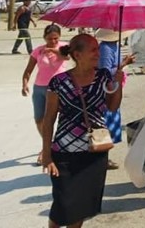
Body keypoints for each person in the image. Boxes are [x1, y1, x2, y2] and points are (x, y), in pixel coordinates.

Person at [42, 33, 130, 228]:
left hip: (95, 152)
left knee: (81, 206)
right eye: (93, 49)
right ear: (77, 54)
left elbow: (112, 107)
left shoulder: (103, 76)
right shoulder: (58, 81)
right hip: (64, 153)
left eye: (98, 49)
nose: (97, 54)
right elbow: (49, 119)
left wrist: (118, 83)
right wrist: (47, 154)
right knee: (62, 205)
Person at [22, 24, 67, 165]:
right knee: (39, 119)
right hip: (40, 88)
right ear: (44, 38)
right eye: (49, 39)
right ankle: (49, 144)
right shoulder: (38, 51)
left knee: (54, 119)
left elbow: (67, 58)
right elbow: (28, 69)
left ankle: (47, 149)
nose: (53, 41)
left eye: (55, 38)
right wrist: (24, 83)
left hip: (59, 88)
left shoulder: (64, 47)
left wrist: (54, 50)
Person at [95, 29, 135, 171]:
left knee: (110, 123)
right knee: (106, 123)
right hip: (108, 90)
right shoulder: (106, 48)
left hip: (113, 87)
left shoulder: (114, 46)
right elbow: (104, 71)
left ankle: (103, 157)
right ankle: (101, 158)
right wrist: (124, 64)